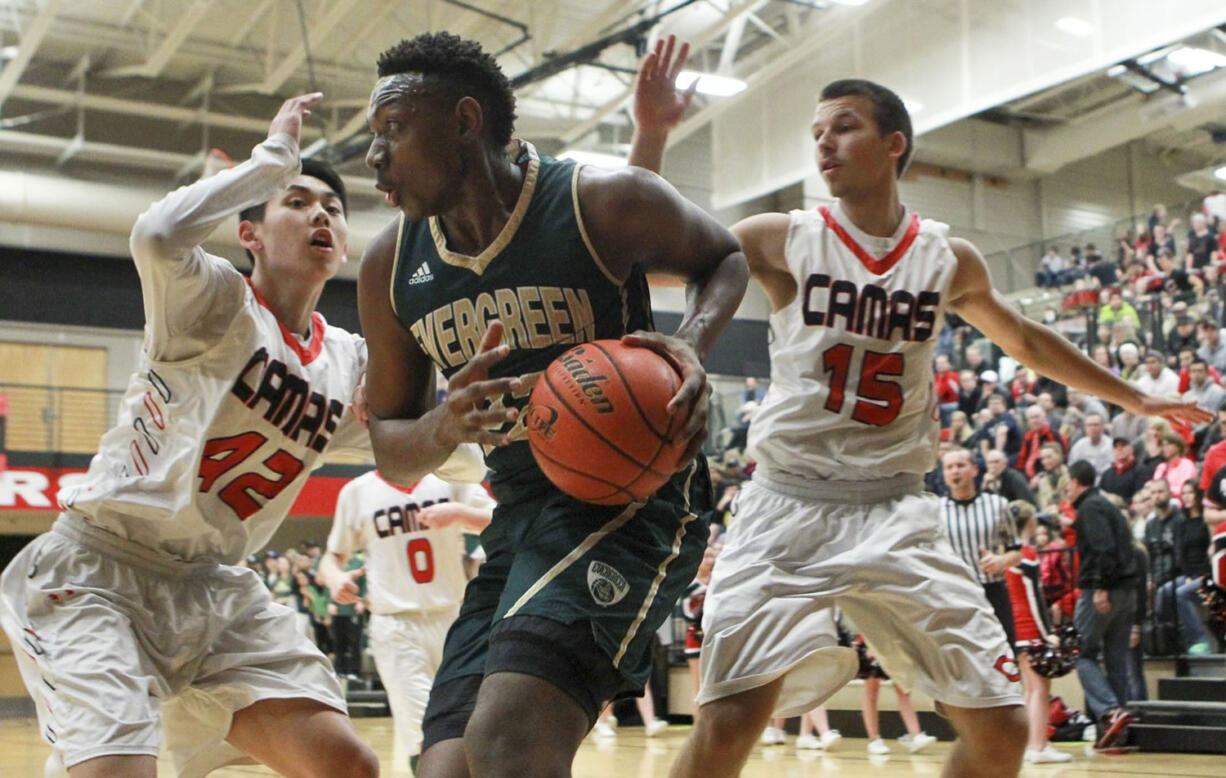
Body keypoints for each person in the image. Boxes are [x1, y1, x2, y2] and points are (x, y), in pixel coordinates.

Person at [630, 72, 1210, 778]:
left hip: (897, 510)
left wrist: (1137, 400)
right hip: (786, 504)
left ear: (893, 143)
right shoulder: (781, 237)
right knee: (727, 727)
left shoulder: (946, 258)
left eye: (843, 126)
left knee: (999, 733)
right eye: (817, 133)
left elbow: (1024, 339)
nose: (824, 143)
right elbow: (646, 250)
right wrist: (653, 134)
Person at [0, 95, 471, 778]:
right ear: (249, 234)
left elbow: (441, 461)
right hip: (99, 569)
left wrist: (457, 416)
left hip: (215, 587)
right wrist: (270, 160)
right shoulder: (212, 299)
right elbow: (157, 235)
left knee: (348, 763)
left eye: (334, 209)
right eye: (297, 201)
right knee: (118, 771)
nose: (321, 214)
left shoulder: (351, 363)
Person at [358, 32, 747, 778]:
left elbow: (723, 256)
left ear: (465, 121)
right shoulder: (389, 265)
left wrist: (692, 341)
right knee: (447, 768)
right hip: (519, 514)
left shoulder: (599, 200)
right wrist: (443, 424)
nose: (375, 155)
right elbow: (390, 448)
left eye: (393, 131)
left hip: (635, 501)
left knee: (508, 741)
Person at [320, 469, 496, 771]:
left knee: (470, 727)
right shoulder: (357, 491)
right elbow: (332, 557)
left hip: (453, 618)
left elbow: (500, 520)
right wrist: (335, 579)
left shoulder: (450, 478)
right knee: (422, 733)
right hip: (395, 625)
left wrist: (458, 513)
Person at [1067, 461, 1143, 749]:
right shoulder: (1108, 505)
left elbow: (1103, 548)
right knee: (1116, 661)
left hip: (1104, 590)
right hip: (1126, 590)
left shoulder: (1089, 508)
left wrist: (1099, 586)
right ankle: (1117, 733)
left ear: (1075, 482)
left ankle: (1111, 712)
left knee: (1079, 652)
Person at [1003, 502, 1071, 764]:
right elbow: (1034, 597)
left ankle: (1035, 744)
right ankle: (1038, 746)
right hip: (1030, 627)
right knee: (1039, 689)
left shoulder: (1007, 553)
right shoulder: (1027, 553)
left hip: (1016, 629)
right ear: (1030, 523)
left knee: (1030, 690)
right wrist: (1046, 633)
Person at [940, 449, 1022, 646]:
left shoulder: (998, 505)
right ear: (943, 474)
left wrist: (1002, 560)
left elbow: (1017, 552)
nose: (955, 471)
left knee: (1004, 655)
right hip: (954, 594)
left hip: (991, 591)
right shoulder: (935, 510)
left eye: (960, 465)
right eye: (949, 467)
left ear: (975, 470)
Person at [1144, 480, 1212, 655]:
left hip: (1207, 573)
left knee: (1181, 593)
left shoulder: (1206, 520)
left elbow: (1210, 551)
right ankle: (1165, 638)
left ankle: (1199, 640)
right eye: (1185, 493)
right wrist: (1188, 573)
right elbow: (1181, 553)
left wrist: (1196, 573)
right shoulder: (1183, 522)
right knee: (1163, 592)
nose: (1187, 497)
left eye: (1191, 492)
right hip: (1189, 573)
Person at [1100, 437, 1153, 505]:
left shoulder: (1142, 471)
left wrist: (1119, 502)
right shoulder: (1107, 475)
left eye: (1123, 445)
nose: (1119, 449)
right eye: (1116, 447)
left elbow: (1142, 496)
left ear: (1131, 448)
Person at [1068, 412, 1113, 478]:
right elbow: (1072, 466)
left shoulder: (1110, 445)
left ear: (1102, 427)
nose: (1092, 428)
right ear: (1085, 428)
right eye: (1089, 425)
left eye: (1095, 425)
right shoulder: (1079, 445)